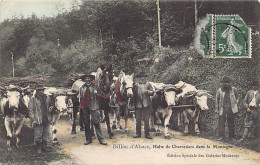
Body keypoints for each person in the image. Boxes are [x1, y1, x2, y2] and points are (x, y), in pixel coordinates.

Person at [79, 74, 107, 145]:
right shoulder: (82, 87)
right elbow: (81, 97)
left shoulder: (95, 87)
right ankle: (88, 139)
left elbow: (101, 96)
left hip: (94, 106)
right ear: (84, 80)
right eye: (86, 78)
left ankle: (101, 140)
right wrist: (81, 106)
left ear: (91, 79)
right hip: (85, 107)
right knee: (86, 123)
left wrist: (97, 94)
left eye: (89, 78)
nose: (87, 79)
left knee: (96, 122)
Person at [28, 86, 53, 154]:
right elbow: (31, 110)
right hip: (38, 119)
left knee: (46, 133)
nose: (41, 91)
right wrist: (33, 119)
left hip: (46, 118)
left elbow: (51, 105)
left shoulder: (47, 97)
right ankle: (38, 147)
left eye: (42, 90)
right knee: (38, 133)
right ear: (36, 91)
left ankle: (44, 146)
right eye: (39, 90)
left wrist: (51, 107)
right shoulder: (33, 99)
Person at [215, 76, 239, 141]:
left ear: (230, 83)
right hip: (222, 109)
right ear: (223, 83)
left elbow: (237, 97)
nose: (227, 84)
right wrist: (216, 109)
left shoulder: (233, 89)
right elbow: (217, 100)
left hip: (231, 109)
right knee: (221, 123)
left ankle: (232, 137)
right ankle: (221, 136)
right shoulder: (219, 90)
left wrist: (235, 104)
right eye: (225, 82)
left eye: (228, 82)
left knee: (231, 123)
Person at [133, 72, 154, 139]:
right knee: (138, 120)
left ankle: (147, 134)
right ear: (140, 78)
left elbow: (153, 92)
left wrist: (147, 91)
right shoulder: (136, 85)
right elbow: (133, 93)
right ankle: (138, 134)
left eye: (144, 76)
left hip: (146, 104)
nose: (142, 78)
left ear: (145, 77)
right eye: (141, 77)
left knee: (146, 120)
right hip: (138, 104)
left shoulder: (148, 84)